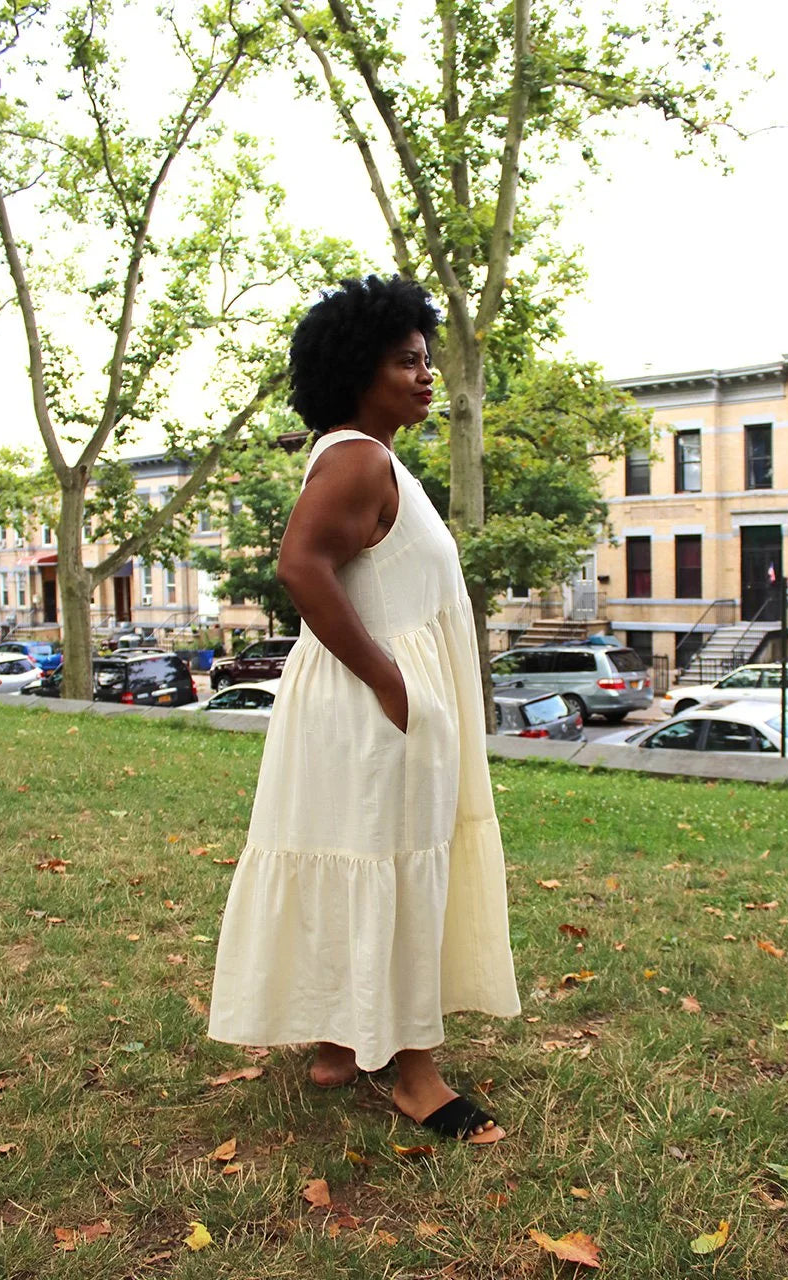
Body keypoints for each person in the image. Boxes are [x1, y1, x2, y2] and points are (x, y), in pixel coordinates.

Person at [208, 275, 520, 1144]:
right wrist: (390, 680)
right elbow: (300, 565)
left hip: (367, 704)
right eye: (404, 361)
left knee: (367, 851)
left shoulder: (371, 457)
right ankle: (413, 1072)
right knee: (394, 857)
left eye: (426, 359)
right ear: (356, 370)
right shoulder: (357, 456)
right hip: (376, 706)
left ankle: (342, 1042)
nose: (425, 375)